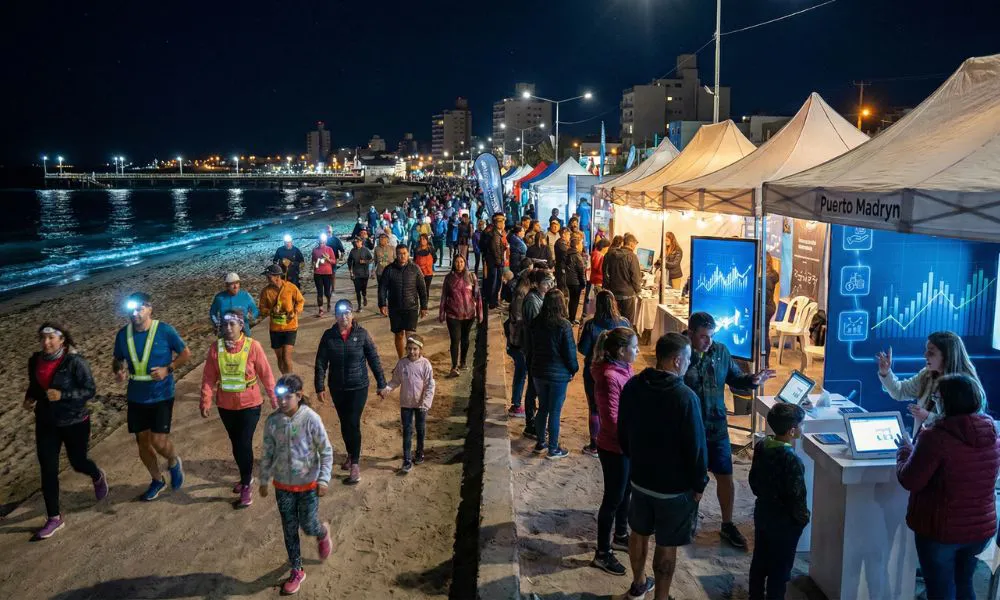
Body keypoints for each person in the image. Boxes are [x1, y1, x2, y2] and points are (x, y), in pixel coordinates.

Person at [618, 333, 707, 600]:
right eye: (688, 359)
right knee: (667, 544)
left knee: (639, 532)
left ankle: (638, 583)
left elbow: (622, 431)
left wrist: (634, 459)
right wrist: (699, 483)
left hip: (641, 480)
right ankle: (662, 597)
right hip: (673, 488)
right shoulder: (685, 397)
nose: (689, 364)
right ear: (677, 360)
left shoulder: (633, 386)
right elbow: (697, 447)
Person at [895, 373, 1000, 600]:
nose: (935, 402)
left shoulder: (935, 438)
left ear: (946, 402)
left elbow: (910, 480)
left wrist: (904, 451)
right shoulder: (992, 435)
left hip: (941, 529)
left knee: (941, 591)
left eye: (937, 397)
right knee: (964, 584)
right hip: (980, 529)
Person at [684, 311, 775, 549]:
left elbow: (735, 378)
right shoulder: (680, 353)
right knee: (692, 479)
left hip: (717, 426)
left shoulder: (721, 352)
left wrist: (753, 380)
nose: (709, 341)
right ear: (691, 332)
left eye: (711, 336)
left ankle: (727, 524)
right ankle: (687, 519)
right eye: (704, 337)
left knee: (726, 475)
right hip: (690, 429)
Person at [24, 322, 107, 540]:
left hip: (75, 420)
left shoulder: (75, 362)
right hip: (46, 422)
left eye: (51, 338)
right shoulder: (35, 360)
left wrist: (64, 396)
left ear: (62, 340)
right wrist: (30, 397)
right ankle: (54, 518)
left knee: (78, 462)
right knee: (48, 470)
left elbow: (90, 390)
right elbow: (35, 384)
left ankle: (97, 475)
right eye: (43, 337)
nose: (46, 342)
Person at [112, 292, 191, 501]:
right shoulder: (123, 335)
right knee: (142, 442)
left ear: (149, 309)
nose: (135, 313)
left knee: (158, 440)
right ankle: (157, 480)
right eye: (131, 310)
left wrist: (169, 368)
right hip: (136, 396)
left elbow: (186, 354)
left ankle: (173, 461)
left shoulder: (164, 330)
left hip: (162, 394)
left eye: (139, 309)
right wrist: (119, 370)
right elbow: (117, 359)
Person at [259, 374, 333, 596]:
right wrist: (264, 479)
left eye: (287, 397)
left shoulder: (311, 419)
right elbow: (267, 452)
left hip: (308, 486)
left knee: (308, 525)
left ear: (299, 396)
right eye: (278, 397)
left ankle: (322, 532)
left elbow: (326, 451)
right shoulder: (273, 421)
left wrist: (323, 479)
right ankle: (296, 569)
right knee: (289, 529)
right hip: (283, 487)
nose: (281, 402)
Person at [199, 309, 277, 509]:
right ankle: (247, 476)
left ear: (241, 325)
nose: (228, 328)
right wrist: (206, 400)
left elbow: (266, 374)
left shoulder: (253, 347)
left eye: (232, 324)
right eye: (224, 325)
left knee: (243, 443)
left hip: (250, 405)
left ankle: (246, 484)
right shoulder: (216, 349)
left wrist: (274, 398)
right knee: (236, 444)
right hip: (225, 406)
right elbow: (209, 377)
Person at [315, 299, 387, 485]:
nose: (344, 317)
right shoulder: (328, 336)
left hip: (358, 387)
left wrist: (381, 383)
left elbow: (374, 358)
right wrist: (319, 386)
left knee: (353, 423)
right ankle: (350, 453)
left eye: (347, 313)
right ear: (336, 316)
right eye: (340, 314)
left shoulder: (362, 335)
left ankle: (355, 464)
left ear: (352, 315)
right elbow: (321, 362)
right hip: (337, 387)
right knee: (345, 423)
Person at [590, 327, 640, 576]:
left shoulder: (622, 369)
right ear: (621, 351)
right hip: (614, 446)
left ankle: (620, 534)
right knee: (612, 499)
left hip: (625, 444)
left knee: (626, 492)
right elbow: (611, 417)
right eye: (634, 347)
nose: (638, 351)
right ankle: (602, 552)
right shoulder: (610, 376)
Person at [748, 402, 809, 600]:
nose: (802, 428)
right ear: (792, 431)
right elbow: (797, 495)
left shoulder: (761, 445)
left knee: (759, 560)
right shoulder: (792, 460)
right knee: (780, 569)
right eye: (801, 424)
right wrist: (802, 519)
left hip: (763, 511)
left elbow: (753, 480)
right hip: (784, 522)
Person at [877, 330, 986, 435]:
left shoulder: (966, 386)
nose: (925, 355)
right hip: (924, 448)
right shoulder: (927, 375)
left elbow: (964, 427)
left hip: (949, 451)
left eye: (931, 352)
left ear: (947, 355)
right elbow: (900, 391)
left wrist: (928, 417)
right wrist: (886, 372)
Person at [524, 289, 579, 459]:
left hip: (539, 372)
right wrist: (573, 369)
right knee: (555, 411)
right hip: (558, 375)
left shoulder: (536, 323)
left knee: (543, 408)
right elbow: (569, 352)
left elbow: (530, 347)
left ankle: (541, 442)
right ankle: (553, 449)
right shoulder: (564, 325)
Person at [578, 291, 631, 457]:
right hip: (619, 371)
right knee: (617, 407)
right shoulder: (624, 323)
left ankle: (595, 444)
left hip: (594, 371)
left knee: (594, 408)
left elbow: (583, 349)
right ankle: (615, 440)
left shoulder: (591, 325)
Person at [379, 334, 436, 473]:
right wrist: (386, 389)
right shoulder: (402, 364)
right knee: (407, 431)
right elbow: (395, 381)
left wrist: (426, 402)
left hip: (421, 405)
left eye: (415, 349)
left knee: (420, 429)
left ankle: (420, 452)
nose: (412, 351)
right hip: (406, 404)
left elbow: (430, 385)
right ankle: (407, 459)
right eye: (409, 348)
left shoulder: (425, 364)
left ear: (420, 349)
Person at [378, 245, 429, 359]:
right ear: (396, 254)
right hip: (395, 308)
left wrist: (424, 306)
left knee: (410, 335)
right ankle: (401, 360)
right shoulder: (389, 269)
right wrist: (382, 304)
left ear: (408, 254)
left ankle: (411, 359)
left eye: (404, 253)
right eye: (400, 253)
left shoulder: (415, 269)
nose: (402, 256)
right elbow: (382, 288)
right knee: (399, 334)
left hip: (411, 307)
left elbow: (422, 289)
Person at [439, 254, 483, 377]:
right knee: (455, 339)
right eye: (457, 262)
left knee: (465, 339)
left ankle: (463, 362)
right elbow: (444, 296)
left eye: (461, 262)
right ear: (453, 263)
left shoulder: (471, 277)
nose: (459, 264)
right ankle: (454, 366)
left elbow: (477, 295)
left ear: (465, 263)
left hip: (469, 315)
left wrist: (480, 314)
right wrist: (442, 313)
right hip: (453, 315)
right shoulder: (449, 278)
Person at [258, 264, 306, 375]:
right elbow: (262, 308)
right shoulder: (265, 292)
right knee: (280, 358)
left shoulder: (291, 287)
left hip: (290, 327)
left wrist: (295, 312)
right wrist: (271, 311)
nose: (267, 279)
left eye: (269, 277)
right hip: (275, 328)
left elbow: (300, 301)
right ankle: (285, 377)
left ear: (277, 277)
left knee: (286, 357)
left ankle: (290, 381)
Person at [506, 271, 534, 418]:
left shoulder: (522, 292)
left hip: (519, 340)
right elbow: (518, 318)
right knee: (521, 373)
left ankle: (517, 403)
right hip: (519, 341)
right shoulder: (522, 294)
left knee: (522, 373)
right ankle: (516, 404)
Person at [602, 233, 643, 325]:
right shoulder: (632, 256)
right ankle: (625, 339)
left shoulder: (610, 254)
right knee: (627, 323)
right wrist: (639, 291)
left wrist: (606, 287)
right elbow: (635, 277)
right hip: (627, 295)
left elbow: (605, 273)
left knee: (613, 320)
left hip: (612, 293)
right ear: (632, 244)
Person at [209, 272, 259, 337]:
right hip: (226, 331)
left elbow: (255, 310)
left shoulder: (246, 296)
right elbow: (213, 312)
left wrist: (251, 317)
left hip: (244, 331)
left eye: (237, 283)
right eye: (232, 284)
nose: (235, 286)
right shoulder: (219, 298)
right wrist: (216, 323)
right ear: (226, 286)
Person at [482, 212, 509, 309]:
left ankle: (494, 301)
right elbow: (496, 250)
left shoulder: (499, 234)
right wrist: (500, 263)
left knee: (496, 282)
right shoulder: (494, 235)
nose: (504, 224)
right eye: (502, 222)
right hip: (495, 263)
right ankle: (492, 302)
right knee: (494, 282)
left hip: (497, 262)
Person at [311, 233, 336, 317]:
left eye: (323, 241)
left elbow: (334, 261)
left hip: (327, 273)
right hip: (317, 273)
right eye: (320, 241)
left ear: (325, 241)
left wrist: (327, 259)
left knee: (327, 292)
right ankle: (320, 309)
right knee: (319, 292)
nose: (321, 242)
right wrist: (314, 264)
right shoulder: (315, 250)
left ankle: (328, 302)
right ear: (318, 241)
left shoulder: (329, 249)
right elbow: (313, 261)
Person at [347, 236, 374, 310]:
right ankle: (359, 306)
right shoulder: (352, 251)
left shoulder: (365, 250)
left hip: (365, 273)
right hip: (356, 274)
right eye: (356, 242)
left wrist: (365, 261)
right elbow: (349, 261)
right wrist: (351, 272)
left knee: (363, 289)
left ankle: (364, 296)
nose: (357, 243)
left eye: (358, 242)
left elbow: (371, 259)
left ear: (361, 242)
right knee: (357, 290)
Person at [566, 233, 588, 325]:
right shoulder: (577, 256)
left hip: (569, 281)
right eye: (580, 244)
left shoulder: (568, 254)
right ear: (577, 245)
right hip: (576, 282)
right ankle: (572, 319)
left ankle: (571, 317)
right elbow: (581, 271)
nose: (581, 246)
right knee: (575, 301)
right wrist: (583, 283)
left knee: (572, 300)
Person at [763, 255, 780, 367]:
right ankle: (764, 362)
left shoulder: (768, 278)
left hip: (766, 308)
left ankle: (765, 363)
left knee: (764, 335)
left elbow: (765, 295)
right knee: (764, 335)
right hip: (768, 307)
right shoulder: (770, 275)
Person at [585, 238, 610, 310]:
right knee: (598, 303)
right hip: (598, 281)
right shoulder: (600, 255)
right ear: (604, 247)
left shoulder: (594, 253)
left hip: (595, 281)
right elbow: (600, 269)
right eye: (607, 247)